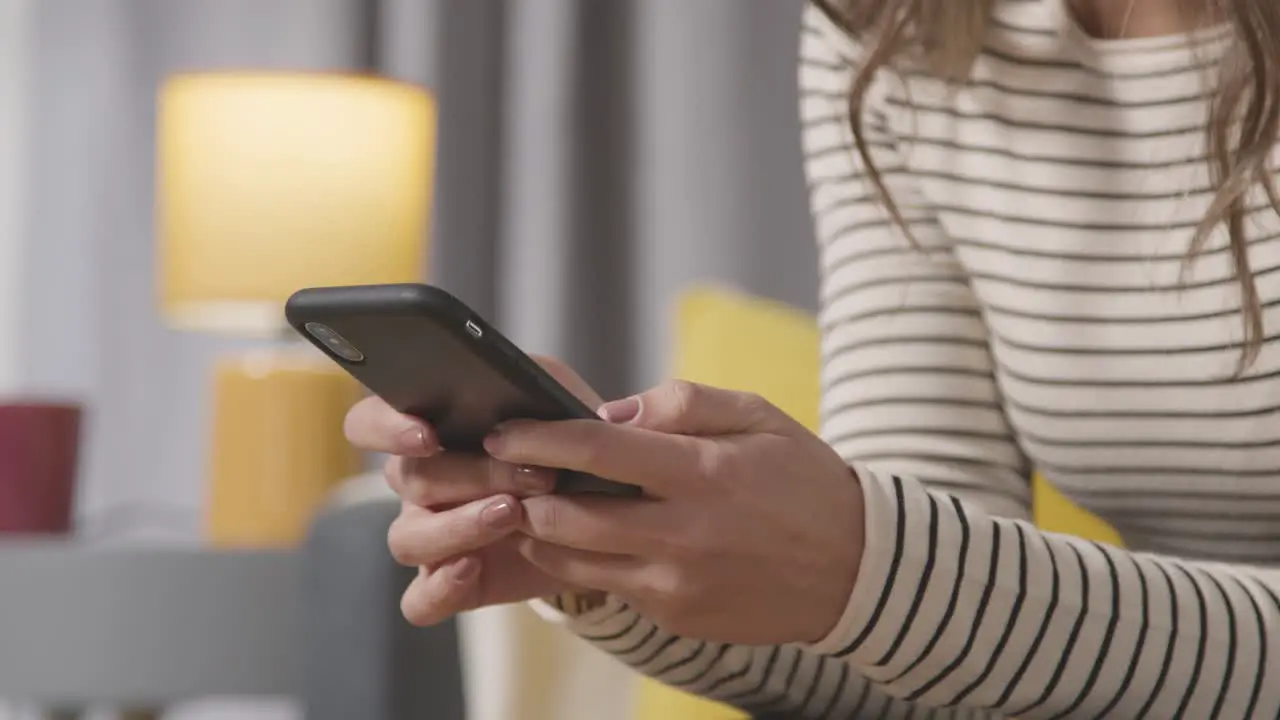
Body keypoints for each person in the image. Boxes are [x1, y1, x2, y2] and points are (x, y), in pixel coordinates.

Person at [343, 0, 1280, 716]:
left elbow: (926, 588)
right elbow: (931, 651)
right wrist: (615, 552)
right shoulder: (900, 29)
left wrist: (873, 567)